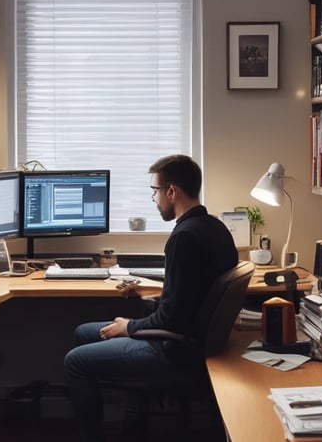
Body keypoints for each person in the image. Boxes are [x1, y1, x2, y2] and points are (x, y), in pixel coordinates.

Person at [63, 154, 238, 441]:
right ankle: (133, 421)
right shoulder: (213, 227)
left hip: (175, 350)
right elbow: (193, 293)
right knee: (83, 332)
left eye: (155, 191)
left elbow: (172, 319)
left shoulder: (183, 238)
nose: (154, 199)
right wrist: (151, 292)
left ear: (172, 191)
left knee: (75, 362)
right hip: (196, 339)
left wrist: (128, 327)